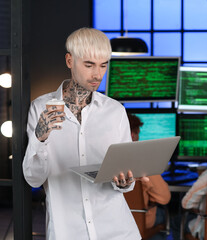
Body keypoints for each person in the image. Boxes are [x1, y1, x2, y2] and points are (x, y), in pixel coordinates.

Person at [22, 27, 142, 239]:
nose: (97, 75)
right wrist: (40, 138)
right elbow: (33, 179)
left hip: (118, 231)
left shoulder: (115, 111)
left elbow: (125, 175)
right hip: (67, 231)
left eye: (103, 65)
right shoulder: (41, 109)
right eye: (89, 65)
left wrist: (125, 182)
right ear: (70, 61)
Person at [127, 113, 171, 240]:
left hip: (109, 222)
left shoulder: (101, 158)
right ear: (132, 135)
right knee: (166, 213)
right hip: (140, 221)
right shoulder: (144, 163)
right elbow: (164, 198)